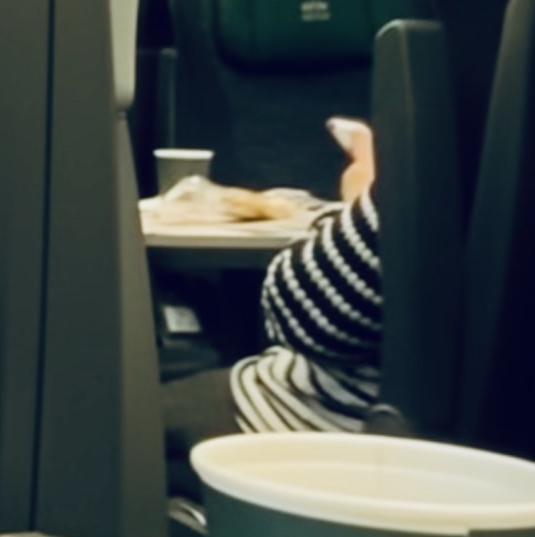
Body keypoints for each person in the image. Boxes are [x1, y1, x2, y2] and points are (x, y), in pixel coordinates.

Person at [160, 121, 380, 481]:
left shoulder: (429, 173)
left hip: (317, 419)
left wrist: (357, 203)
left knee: (114, 428)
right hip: (446, 445)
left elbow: (305, 317)